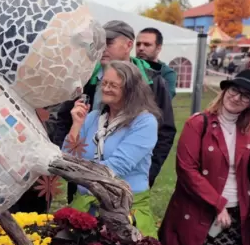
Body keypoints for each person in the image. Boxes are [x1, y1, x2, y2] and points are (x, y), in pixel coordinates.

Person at [49, 20, 175, 191]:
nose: (101, 49)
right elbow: (64, 126)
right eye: (105, 84)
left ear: (128, 45)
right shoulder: (86, 84)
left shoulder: (152, 84)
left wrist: (148, 173)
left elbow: (164, 132)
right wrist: (74, 176)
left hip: (123, 192)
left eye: (108, 43)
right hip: (84, 192)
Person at [160, 70, 250, 245]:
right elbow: (187, 170)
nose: (237, 98)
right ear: (224, 91)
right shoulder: (198, 123)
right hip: (198, 211)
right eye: (234, 90)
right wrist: (218, 204)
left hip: (235, 216)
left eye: (246, 96)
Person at [62, 61, 160, 238]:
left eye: (113, 85)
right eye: (104, 83)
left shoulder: (144, 122)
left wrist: (79, 174)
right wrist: (76, 125)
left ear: (131, 90)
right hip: (86, 209)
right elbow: (66, 160)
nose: (105, 89)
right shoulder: (92, 118)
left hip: (123, 211)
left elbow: (117, 167)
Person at [135, 27, 177, 99]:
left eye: (147, 44)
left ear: (158, 48)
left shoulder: (166, 73)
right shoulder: (128, 66)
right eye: (138, 44)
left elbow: (164, 101)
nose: (141, 48)